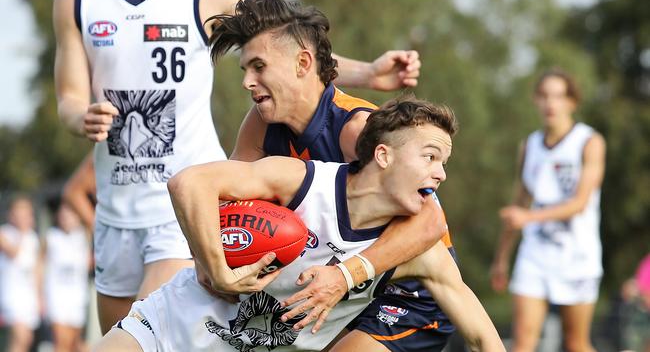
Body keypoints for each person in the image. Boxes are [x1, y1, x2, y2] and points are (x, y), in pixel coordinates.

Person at [53, 0, 422, 334]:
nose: (249, 80)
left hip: (181, 207)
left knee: (147, 334)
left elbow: (281, 44)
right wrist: (79, 116)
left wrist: (368, 73)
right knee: (118, 338)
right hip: (115, 210)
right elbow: (69, 96)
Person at [94, 95, 504, 352]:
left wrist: (347, 275)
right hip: (168, 325)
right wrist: (219, 269)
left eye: (443, 163)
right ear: (383, 156)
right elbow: (188, 182)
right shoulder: (300, 179)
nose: (440, 175)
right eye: (430, 157)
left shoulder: (420, 253)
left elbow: (483, 338)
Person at [211, 0, 457, 350]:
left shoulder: (356, 129)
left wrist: (345, 276)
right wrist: (212, 262)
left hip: (406, 294)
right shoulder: (261, 124)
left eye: (259, 67)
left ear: (302, 63)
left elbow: (430, 223)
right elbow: (226, 206)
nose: (247, 81)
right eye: (245, 69)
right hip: (335, 291)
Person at [490, 68, 606, 352]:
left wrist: (528, 217)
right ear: (535, 100)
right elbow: (518, 206)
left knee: (575, 343)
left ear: (572, 102)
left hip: (577, 257)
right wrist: (502, 258)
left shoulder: (589, 142)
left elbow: (579, 204)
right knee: (523, 343)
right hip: (535, 256)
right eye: (543, 96)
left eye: (558, 96)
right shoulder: (529, 146)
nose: (550, 103)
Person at [43, 200, 91, 352]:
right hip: (56, 297)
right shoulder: (51, 237)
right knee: (61, 342)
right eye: (63, 215)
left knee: (75, 344)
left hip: (77, 298)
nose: (66, 218)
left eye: (70, 214)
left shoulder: (84, 236)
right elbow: (39, 266)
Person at [0, 196, 41, 352]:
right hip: (11, 294)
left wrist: (38, 296)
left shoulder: (33, 238)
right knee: (20, 336)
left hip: (28, 295)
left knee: (26, 339)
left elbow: (36, 269)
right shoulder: (4, 232)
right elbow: (13, 253)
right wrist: (23, 232)